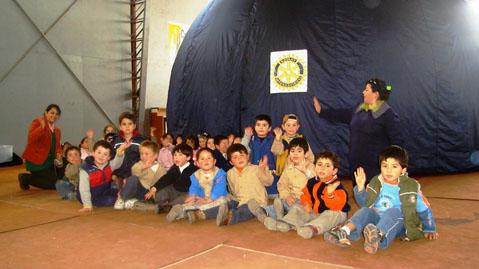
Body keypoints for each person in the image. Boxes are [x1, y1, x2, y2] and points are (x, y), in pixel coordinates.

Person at [324, 146, 438, 254]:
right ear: (380, 167)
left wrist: (430, 228)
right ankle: (343, 231)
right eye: (385, 166)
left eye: (394, 166)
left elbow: (424, 209)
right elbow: (365, 203)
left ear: (403, 170)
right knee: (365, 211)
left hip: (399, 224)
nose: (389, 170)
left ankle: (378, 236)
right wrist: (360, 188)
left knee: (393, 211)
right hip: (376, 222)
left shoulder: (411, 187)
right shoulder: (376, 183)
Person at [313, 78, 403, 184]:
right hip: (356, 163)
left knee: (375, 196)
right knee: (359, 193)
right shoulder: (359, 109)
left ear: (376, 94)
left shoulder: (388, 114)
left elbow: (397, 142)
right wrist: (322, 111)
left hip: (375, 167)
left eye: (366, 90)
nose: (363, 92)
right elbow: (341, 114)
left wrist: (395, 164)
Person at [256, 151, 350, 239]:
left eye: (327, 166)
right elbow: (305, 194)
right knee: (298, 207)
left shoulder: (336, 186)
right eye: (319, 164)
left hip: (335, 213)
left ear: (334, 171)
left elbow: (337, 206)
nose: (322, 168)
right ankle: (285, 223)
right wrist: (306, 203)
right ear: (315, 167)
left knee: (330, 215)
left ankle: (312, 228)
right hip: (316, 212)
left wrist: (330, 194)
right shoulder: (312, 182)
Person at [262, 137, 315, 230]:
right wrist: (287, 196)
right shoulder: (288, 168)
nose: (295, 154)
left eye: (299, 151)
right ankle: (279, 216)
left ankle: (282, 221)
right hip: (292, 199)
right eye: (292, 151)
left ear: (306, 154)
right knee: (279, 202)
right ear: (289, 154)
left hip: (305, 202)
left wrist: (305, 172)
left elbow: (316, 183)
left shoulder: (311, 167)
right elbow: (282, 184)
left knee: (297, 210)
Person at [215, 144, 273, 226]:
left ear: (248, 156)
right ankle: (202, 214)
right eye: (235, 157)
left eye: (242, 155)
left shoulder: (256, 168)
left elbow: (269, 182)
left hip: (257, 203)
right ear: (231, 162)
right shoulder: (230, 173)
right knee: (227, 203)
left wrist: (262, 170)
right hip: (240, 201)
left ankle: (230, 217)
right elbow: (233, 190)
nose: (239, 158)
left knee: (245, 209)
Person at [165, 148, 229, 223]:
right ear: (197, 163)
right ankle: (181, 210)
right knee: (192, 203)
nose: (206, 161)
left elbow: (220, 188)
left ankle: (192, 212)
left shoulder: (220, 173)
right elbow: (194, 188)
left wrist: (211, 199)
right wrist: (194, 196)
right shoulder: (195, 175)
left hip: (216, 198)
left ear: (214, 161)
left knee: (223, 201)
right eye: (202, 159)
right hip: (202, 198)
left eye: (209, 158)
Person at [19, 104, 63, 190]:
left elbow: (57, 146)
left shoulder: (57, 131)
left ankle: (32, 178)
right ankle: (25, 178)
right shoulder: (38, 122)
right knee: (54, 184)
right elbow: (31, 138)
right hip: (36, 162)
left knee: (58, 181)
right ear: (46, 113)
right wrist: (42, 128)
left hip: (49, 162)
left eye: (56, 114)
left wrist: (59, 154)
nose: (54, 116)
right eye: (52, 113)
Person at [114, 141, 166, 211]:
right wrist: (143, 167)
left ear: (155, 156)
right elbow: (134, 171)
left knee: (159, 197)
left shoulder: (161, 168)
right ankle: (122, 198)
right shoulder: (140, 164)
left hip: (150, 193)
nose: (143, 156)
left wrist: (154, 190)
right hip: (139, 189)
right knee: (133, 179)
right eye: (141, 154)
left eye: (146, 154)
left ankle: (134, 201)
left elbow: (163, 181)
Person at [144, 144, 198, 212]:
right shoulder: (175, 168)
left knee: (186, 199)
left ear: (188, 157)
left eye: (180, 155)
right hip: (174, 190)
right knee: (159, 195)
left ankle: (168, 206)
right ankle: (164, 205)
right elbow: (166, 178)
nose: (176, 157)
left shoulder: (194, 170)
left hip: (186, 192)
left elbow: (197, 186)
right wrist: (154, 189)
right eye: (175, 155)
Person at [78, 140, 126, 213]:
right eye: (99, 152)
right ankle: (92, 203)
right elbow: (84, 189)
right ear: (93, 153)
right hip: (90, 195)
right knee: (110, 200)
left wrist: (119, 154)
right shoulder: (85, 169)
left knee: (122, 192)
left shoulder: (108, 165)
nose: (101, 156)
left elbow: (117, 164)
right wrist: (87, 205)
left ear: (109, 157)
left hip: (104, 191)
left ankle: (127, 200)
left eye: (105, 154)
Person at [241, 114, 277, 197]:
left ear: (269, 128)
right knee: (256, 195)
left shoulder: (274, 140)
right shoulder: (251, 140)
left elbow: (278, 153)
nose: (261, 127)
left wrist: (269, 166)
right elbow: (242, 150)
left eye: (264, 125)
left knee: (272, 196)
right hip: (255, 172)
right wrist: (246, 136)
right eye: (258, 125)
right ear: (254, 127)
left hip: (269, 172)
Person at [111, 112, 145, 187]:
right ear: (120, 126)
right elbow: (111, 159)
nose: (127, 126)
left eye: (130, 124)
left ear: (134, 126)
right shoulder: (115, 141)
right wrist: (113, 174)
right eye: (124, 124)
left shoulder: (141, 141)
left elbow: (145, 159)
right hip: (118, 176)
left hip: (135, 176)